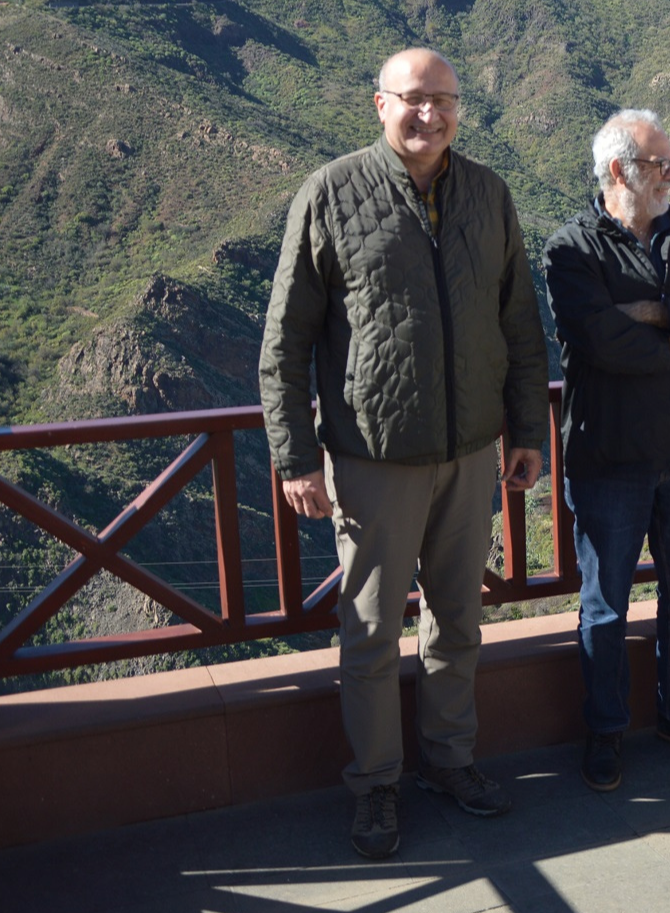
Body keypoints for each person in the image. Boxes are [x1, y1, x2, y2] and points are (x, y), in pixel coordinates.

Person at [259, 48, 549, 859]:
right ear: (379, 104)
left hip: (468, 455)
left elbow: (520, 324)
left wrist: (525, 432)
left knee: (459, 621)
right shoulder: (332, 191)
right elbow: (285, 341)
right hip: (371, 457)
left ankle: (451, 763)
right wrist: (294, 457)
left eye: (445, 102)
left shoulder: (488, 193)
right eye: (414, 100)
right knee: (372, 630)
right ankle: (376, 785)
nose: (431, 116)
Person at [543, 109, 670, 792]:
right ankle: (605, 732)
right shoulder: (571, 249)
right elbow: (604, 346)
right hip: (610, 461)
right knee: (605, 604)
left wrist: (658, 314)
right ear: (618, 171)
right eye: (660, 165)